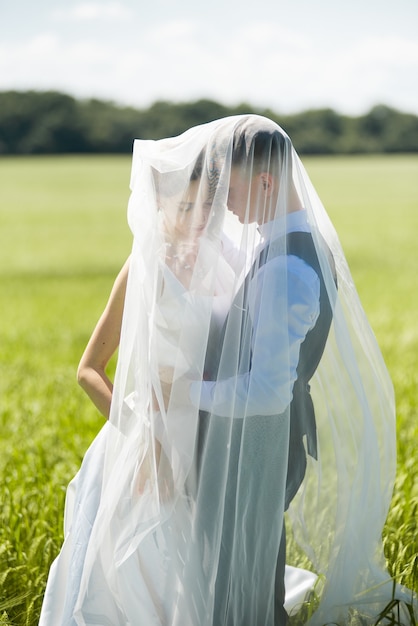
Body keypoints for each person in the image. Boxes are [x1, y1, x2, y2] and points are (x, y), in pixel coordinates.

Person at [39, 115, 414, 626]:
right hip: (156, 440)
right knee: (146, 575)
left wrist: (186, 394)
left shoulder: (246, 255)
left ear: (260, 183)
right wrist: (148, 445)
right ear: (157, 206)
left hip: (217, 438)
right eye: (185, 206)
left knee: (215, 576)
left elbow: (261, 379)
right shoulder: (156, 267)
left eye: (212, 201)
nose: (209, 215)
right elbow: (91, 368)